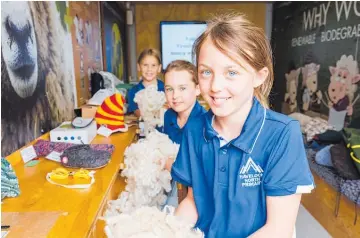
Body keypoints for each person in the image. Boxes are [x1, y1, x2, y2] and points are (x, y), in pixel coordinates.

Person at [171, 12, 315, 238]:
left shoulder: (282, 135)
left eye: (232, 72)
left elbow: (279, 229)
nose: (216, 86)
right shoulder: (195, 128)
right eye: (206, 72)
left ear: (259, 76)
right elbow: (193, 201)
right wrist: (168, 230)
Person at [162, 60, 206, 207]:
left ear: (198, 89)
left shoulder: (204, 124)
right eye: (169, 89)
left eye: (182, 88)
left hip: (194, 195)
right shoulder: (168, 115)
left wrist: (169, 164)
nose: (175, 96)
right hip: (170, 184)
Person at [126, 48, 165, 117]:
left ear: (159, 68)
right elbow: (138, 113)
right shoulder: (133, 92)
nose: (149, 69)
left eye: (153, 65)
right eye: (145, 65)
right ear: (138, 67)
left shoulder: (166, 89)